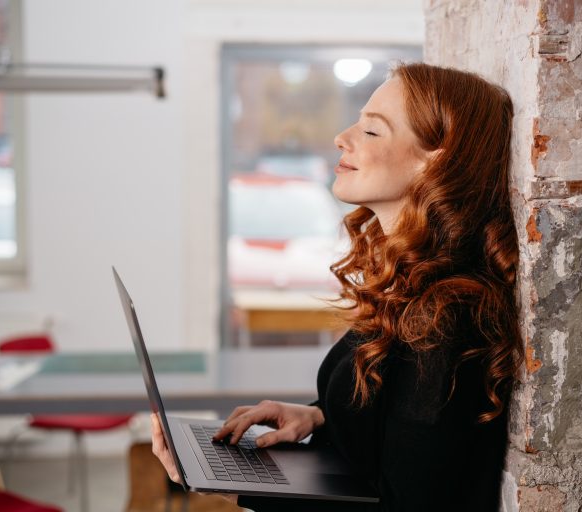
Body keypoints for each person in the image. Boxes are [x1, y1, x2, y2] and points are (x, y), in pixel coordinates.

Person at [151, 62, 524, 511]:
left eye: (372, 132)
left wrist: (239, 489)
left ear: (436, 159)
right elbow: (397, 425)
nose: (341, 137)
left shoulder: (445, 314)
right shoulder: (409, 282)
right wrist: (317, 416)